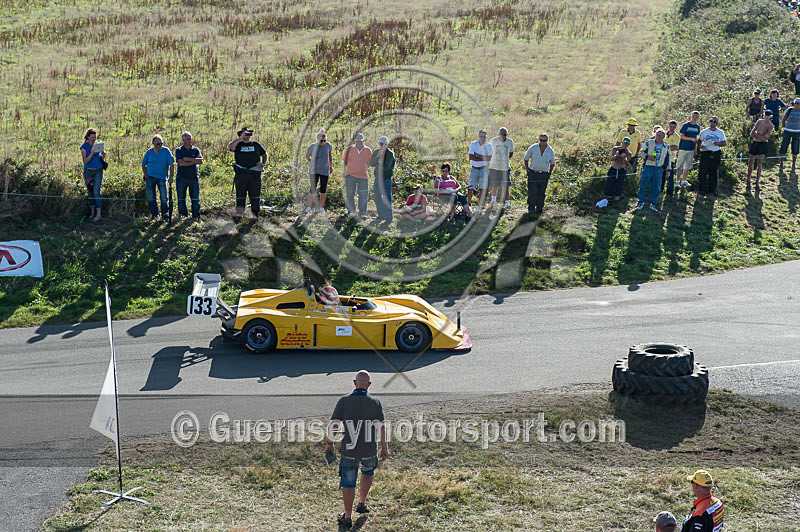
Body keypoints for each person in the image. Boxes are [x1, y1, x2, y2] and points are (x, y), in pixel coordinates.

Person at [326, 370, 389, 529]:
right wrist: (384, 448)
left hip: (349, 450)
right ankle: (362, 503)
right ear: (368, 385)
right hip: (369, 449)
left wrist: (329, 443)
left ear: (355, 383)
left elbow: (334, 424)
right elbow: (381, 427)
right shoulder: (375, 402)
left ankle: (347, 516)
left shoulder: (344, 401)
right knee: (368, 473)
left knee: (348, 482)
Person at [227, 127, 267, 221]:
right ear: (241, 134)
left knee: (255, 194)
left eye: (249, 134)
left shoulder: (256, 144)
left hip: (254, 174)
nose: (248, 135)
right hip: (241, 174)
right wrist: (241, 138)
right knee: (240, 194)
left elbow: (264, 154)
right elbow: (230, 147)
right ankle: (239, 214)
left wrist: (263, 163)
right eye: (246, 133)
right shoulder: (238, 144)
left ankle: (255, 214)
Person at [141, 134, 174, 221]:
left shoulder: (166, 151)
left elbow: (171, 164)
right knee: (151, 197)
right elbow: (143, 164)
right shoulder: (149, 152)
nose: (160, 145)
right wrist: (146, 174)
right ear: (153, 143)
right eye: (158, 144)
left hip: (162, 178)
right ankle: (154, 215)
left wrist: (171, 176)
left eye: (161, 143)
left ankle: (165, 215)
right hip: (150, 177)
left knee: (164, 197)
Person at [636, 128, 671, 211]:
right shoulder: (649, 143)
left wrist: (668, 170)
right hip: (648, 166)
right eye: (657, 135)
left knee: (656, 186)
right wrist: (647, 157)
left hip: (659, 168)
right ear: (655, 135)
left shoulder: (666, 146)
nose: (658, 137)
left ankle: (653, 203)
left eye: (661, 135)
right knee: (643, 184)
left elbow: (668, 159)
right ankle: (641, 202)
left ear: (663, 137)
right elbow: (641, 152)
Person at [523, 132, 556, 214]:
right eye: (541, 140)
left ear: (547, 140)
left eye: (544, 140)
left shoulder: (550, 150)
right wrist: (527, 171)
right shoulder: (533, 147)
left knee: (541, 192)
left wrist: (549, 173)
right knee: (532, 192)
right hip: (533, 173)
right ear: (539, 140)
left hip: (544, 174)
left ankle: (539, 209)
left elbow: (552, 163)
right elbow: (526, 158)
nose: (542, 142)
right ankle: (531, 209)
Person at [174, 131, 203, 220]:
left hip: (194, 177)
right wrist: (194, 161)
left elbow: (201, 161)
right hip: (181, 178)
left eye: (190, 138)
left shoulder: (196, 149)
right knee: (181, 198)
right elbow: (181, 163)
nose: (190, 140)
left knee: (195, 199)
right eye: (187, 139)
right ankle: (183, 215)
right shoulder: (179, 150)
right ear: (183, 140)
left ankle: (196, 216)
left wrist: (188, 159)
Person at [342, 133, 372, 219]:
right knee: (350, 194)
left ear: (363, 141)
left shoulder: (368, 150)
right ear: (355, 141)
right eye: (358, 141)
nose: (359, 143)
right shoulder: (349, 149)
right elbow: (345, 161)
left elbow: (369, 163)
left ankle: (362, 213)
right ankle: (351, 211)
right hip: (350, 175)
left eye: (361, 141)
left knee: (363, 195)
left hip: (363, 176)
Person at [80, 128, 106, 222]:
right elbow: (85, 161)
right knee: (90, 192)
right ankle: (92, 213)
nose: (94, 139)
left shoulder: (98, 145)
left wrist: (103, 155)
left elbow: (100, 159)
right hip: (88, 172)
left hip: (98, 171)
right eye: (92, 137)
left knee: (96, 192)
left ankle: (99, 214)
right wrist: (91, 152)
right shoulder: (84, 147)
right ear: (88, 137)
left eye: (95, 137)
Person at [305, 128, 333, 214]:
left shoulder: (328, 146)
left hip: (325, 170)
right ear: (317, 140)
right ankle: (309, 207)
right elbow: (307, 156)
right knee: (312, 188)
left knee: (323, 189)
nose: (323, 142)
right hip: (314, 171)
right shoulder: (312, 146)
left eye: (325, 140)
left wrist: (331, 166)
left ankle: (321, 208)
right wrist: (311, 161)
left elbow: (330, 156)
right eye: (322, 140)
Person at [696, 117, 726, 195]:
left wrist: (718, 144)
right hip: (706, 152)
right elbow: (699, 141)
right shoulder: (704, 131)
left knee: (713, 172)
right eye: (711, 121)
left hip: (715, 152)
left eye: (714, 122)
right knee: (703, 172)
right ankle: (702, 189)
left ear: (717, 123)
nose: (713, 123)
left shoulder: (720, 132)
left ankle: (712, 190)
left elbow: (724, 143)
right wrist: (700, 146)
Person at [370, 136, 395, 222]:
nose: (382, 145)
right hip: (378, 178)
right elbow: (371, 163)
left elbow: (387, 167)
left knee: (387, 197)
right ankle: (381, 214)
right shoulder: (376, 152)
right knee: (377, 196)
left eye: (384, 144)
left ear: (387, 144)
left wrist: (379, 162)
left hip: (386, 178)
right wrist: (377, 156)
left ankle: (389, 216)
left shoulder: (390, 154)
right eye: (380, 143)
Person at [488, 127, 514, 208]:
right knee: (494, 185)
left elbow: (511, 153)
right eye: (501, 134)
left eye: (505, 135)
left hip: (505, 168)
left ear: (507, 135)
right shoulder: (493, 140)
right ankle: (493, 201)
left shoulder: (510, 142)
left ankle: (507, 203)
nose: (503, 136)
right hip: (494, 166)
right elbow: (489, 152)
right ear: (498, 134)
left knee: (505, 187)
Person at [747, 111, 775, 188]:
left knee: (760, 162)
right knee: (750, 161)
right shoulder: (759, 121)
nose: (766, 116)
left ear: (770, 116)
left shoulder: (771, 125)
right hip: (755, 143)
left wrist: (757, 136)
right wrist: (759, 137)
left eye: (768, 115)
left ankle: (757, 181)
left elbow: (766, 138)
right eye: (765, 115)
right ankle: (748, 179)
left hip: (763, 145)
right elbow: (751, 133)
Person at [467, 129, 492, 213]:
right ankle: (468, 204)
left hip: (483, 169)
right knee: (470, 187)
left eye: (484, 137)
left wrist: (478, 156)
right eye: (481, 136)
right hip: (474, 168)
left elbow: (489, 158)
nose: (483, 138)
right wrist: (483, 157)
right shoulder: (473, 144)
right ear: (478, 136)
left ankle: (479, 206)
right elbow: (471, 157)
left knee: (482, 188)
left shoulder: (488, 146)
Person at [676, 111, 702, 191]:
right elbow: (682, 136)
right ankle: (677, 181)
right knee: (680, 165)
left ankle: (683, 180)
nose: (695, 118)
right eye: (694, 116)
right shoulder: (686, 125)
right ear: (691, 116)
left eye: (697, 117)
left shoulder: (697, 127)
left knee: (687, 166)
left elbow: (696, 138)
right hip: (683, 147)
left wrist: (695, 150)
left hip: (691, 148)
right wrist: (690, 139)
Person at [604, 138, 632, 203]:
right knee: (609, 183)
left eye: (627, 143)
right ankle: (608, 199)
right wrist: (616, 156)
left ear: (629, 144)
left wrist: (623, 158)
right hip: (613, 168)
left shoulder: (628, 153)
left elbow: (627, 163)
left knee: (620, 185)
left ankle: (617, 201)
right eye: (624, 142)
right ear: (622, 142)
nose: (625, 144)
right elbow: (611, 159)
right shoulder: (615, 149)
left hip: (621, 170)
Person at [779, 97, 800, 171]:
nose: (797, 105)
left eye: (798, 104)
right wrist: (784, 127)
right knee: (784, 147)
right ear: (794, 103)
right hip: (787, 131)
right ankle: (781, 163)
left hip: (797, 132)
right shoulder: (789, 110)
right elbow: (783, 119)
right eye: (796, 103)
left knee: (795, 148)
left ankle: (793, 164)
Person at [662, 120, 680, 197]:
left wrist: (664, 148)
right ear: (668, 125)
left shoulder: (677, 136)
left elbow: (674, 147)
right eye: (671, 126)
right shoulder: (663, 134)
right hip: (661, 158)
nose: (672, 128)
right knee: (661, 175)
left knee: (670, 176)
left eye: (674, 127)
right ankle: (661, 190)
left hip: (671, 158)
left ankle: (670, 193)